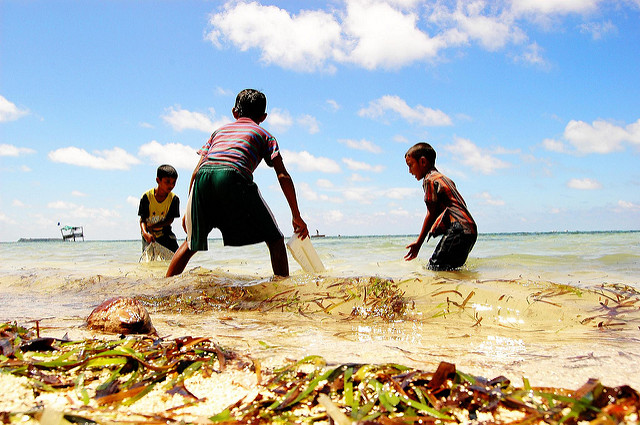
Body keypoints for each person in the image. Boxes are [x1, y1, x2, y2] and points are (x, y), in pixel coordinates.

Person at [166, 89, 309, 277]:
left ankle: (165, 285)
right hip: (234, 175)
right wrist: (296, 215)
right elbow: (282, 175)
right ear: (264, 117)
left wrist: (189, 209)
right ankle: (282, 292)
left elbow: (196, 171)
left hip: (203, 179)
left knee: (191, 243)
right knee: (275, 239)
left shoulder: (217, 132)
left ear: (234, 112)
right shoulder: (266, 135)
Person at [404, 142, 477, 270]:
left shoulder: (430, 180)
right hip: (470, 230)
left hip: (459, 229)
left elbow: (431, 214)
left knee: (435, 267)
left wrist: (418, 243)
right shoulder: (444, 179)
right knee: (451, 270)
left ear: (422, 162)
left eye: (410, 165)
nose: (409, 171)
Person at [138, 164, 180, 253]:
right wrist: (145, 234)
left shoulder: (174, 199)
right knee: (148, 257)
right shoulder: (147, 197)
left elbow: (170, 220)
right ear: (158, 180)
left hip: (165, 232)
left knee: (176, 254)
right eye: (167, 182)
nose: (171, 185)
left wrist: (155, 225)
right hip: (149, 233)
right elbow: (142, 220)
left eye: (174, 182)